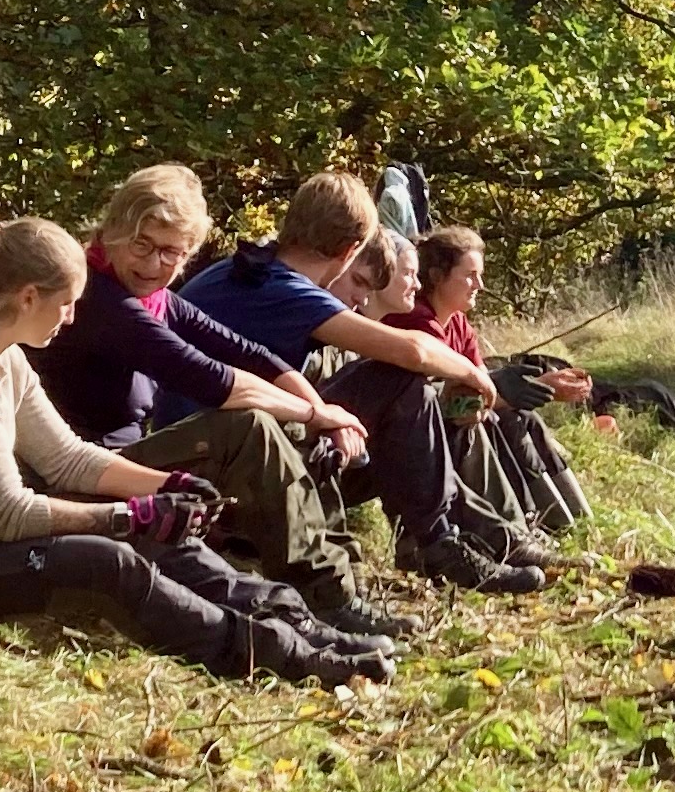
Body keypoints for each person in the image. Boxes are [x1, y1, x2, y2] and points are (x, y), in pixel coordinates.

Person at [0, 215, 393, 684]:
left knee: (149, 530)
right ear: (27, 296)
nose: (72, 318)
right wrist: (126, 516)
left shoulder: (1, 354)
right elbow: (6, 512)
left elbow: (66, 458)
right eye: (67, 304)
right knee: (107, 557)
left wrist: (165, 490)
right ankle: (281, 657)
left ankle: (295, 623)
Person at [24, 163, 416, 645]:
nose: (152, 263)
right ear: (113, 231)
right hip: (76, 481)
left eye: (171, 252)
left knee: (288, 426)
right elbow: (214, 380)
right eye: (141, 244)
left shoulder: (150, 297)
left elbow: (246, 352)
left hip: (116, 466)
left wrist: (322, 415)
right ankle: (324, 597)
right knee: (249, 427)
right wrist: (319, 413)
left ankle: (341, 588)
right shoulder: (99, 299)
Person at [179, 173, 545, 593]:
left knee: (408, 413)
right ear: (350, 250)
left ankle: (460, 537)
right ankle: (436, 543)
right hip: (234, 473)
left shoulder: (237, 271)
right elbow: (411, 351)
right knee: (399, 380)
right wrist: (475, 374)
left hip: (212, 453)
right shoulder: (285, 288)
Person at [399, 225, 592, 544]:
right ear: (436, 276)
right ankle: (520, 528)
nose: (480, 285)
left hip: (449, 420)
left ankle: (570, 520)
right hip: (426, 436)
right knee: (503, 421)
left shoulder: (457, 323)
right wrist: (539, 388)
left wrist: (538, 387)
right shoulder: (419, 323)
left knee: (523, 418)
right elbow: (453, 403)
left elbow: (480, 387)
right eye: (470, 275)